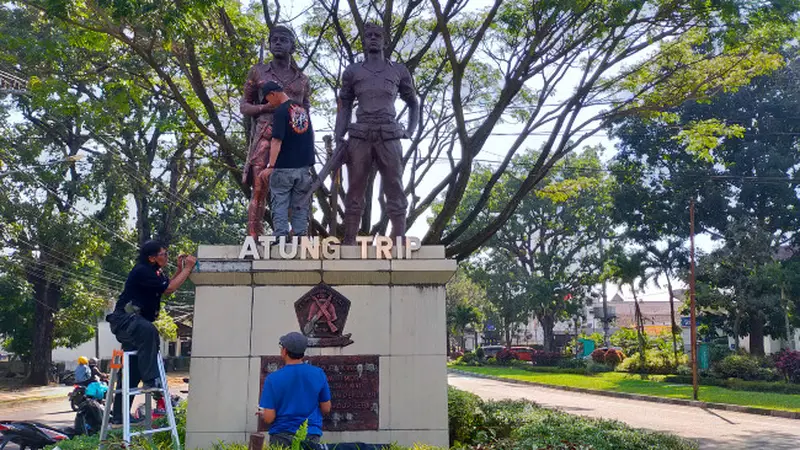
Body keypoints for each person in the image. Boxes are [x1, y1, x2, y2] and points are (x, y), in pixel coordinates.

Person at [334, 22, 419, 244]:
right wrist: (338, 135)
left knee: (395, 185)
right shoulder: (353, 71)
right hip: (360, 134)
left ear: (385, 40)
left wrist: (410, 130)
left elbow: (413, 102)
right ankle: (350, 238)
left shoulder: (398, 70)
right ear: (363, 39)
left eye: (377, 35)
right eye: (368, 34)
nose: (373, 38)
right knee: (355, 188)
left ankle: (398, 237)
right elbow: (344, 103)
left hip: (389, 134)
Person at [106, 240, 196, 424]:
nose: (167, 257)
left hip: (136, 324)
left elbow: (167, 289)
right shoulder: (142, 271)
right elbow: (169, 288)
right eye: (164, 254)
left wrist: (179, 269)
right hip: (125, 321)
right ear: (151, 257)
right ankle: (151, 380)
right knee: (150, 331)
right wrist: (188, 269)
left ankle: (119, 416)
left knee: (132, 370)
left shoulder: (156, 272)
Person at [241, 25, 311, 238]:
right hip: (266, 133)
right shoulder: (258, 72)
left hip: (294, 140)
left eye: (283, 39)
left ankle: (294, 234)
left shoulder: (302, 79)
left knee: (296, 189)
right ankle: (254, 236)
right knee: (260, 185)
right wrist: (264, 108)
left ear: (292, 46)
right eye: (274, 39)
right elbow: (245, 106)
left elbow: (306, 110)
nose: (278, 43)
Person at [259, 81, 315, 238]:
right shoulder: (301, 109)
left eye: (268, 99)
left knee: (280, 203)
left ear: (273, 94)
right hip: (304, 168)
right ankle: (299, 238)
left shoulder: (281, 112)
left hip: (284, 167)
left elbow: (276, 140)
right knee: (301, 205)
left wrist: (271, 166)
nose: (269, 103)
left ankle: (281, 238)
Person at [257, 332, 331, 446]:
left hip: (281, 436)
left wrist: (264, 414)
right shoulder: (318, 374)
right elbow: (326, 408)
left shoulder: (272, 379)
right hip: (310, 435)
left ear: (285, 351)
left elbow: (269, 418)